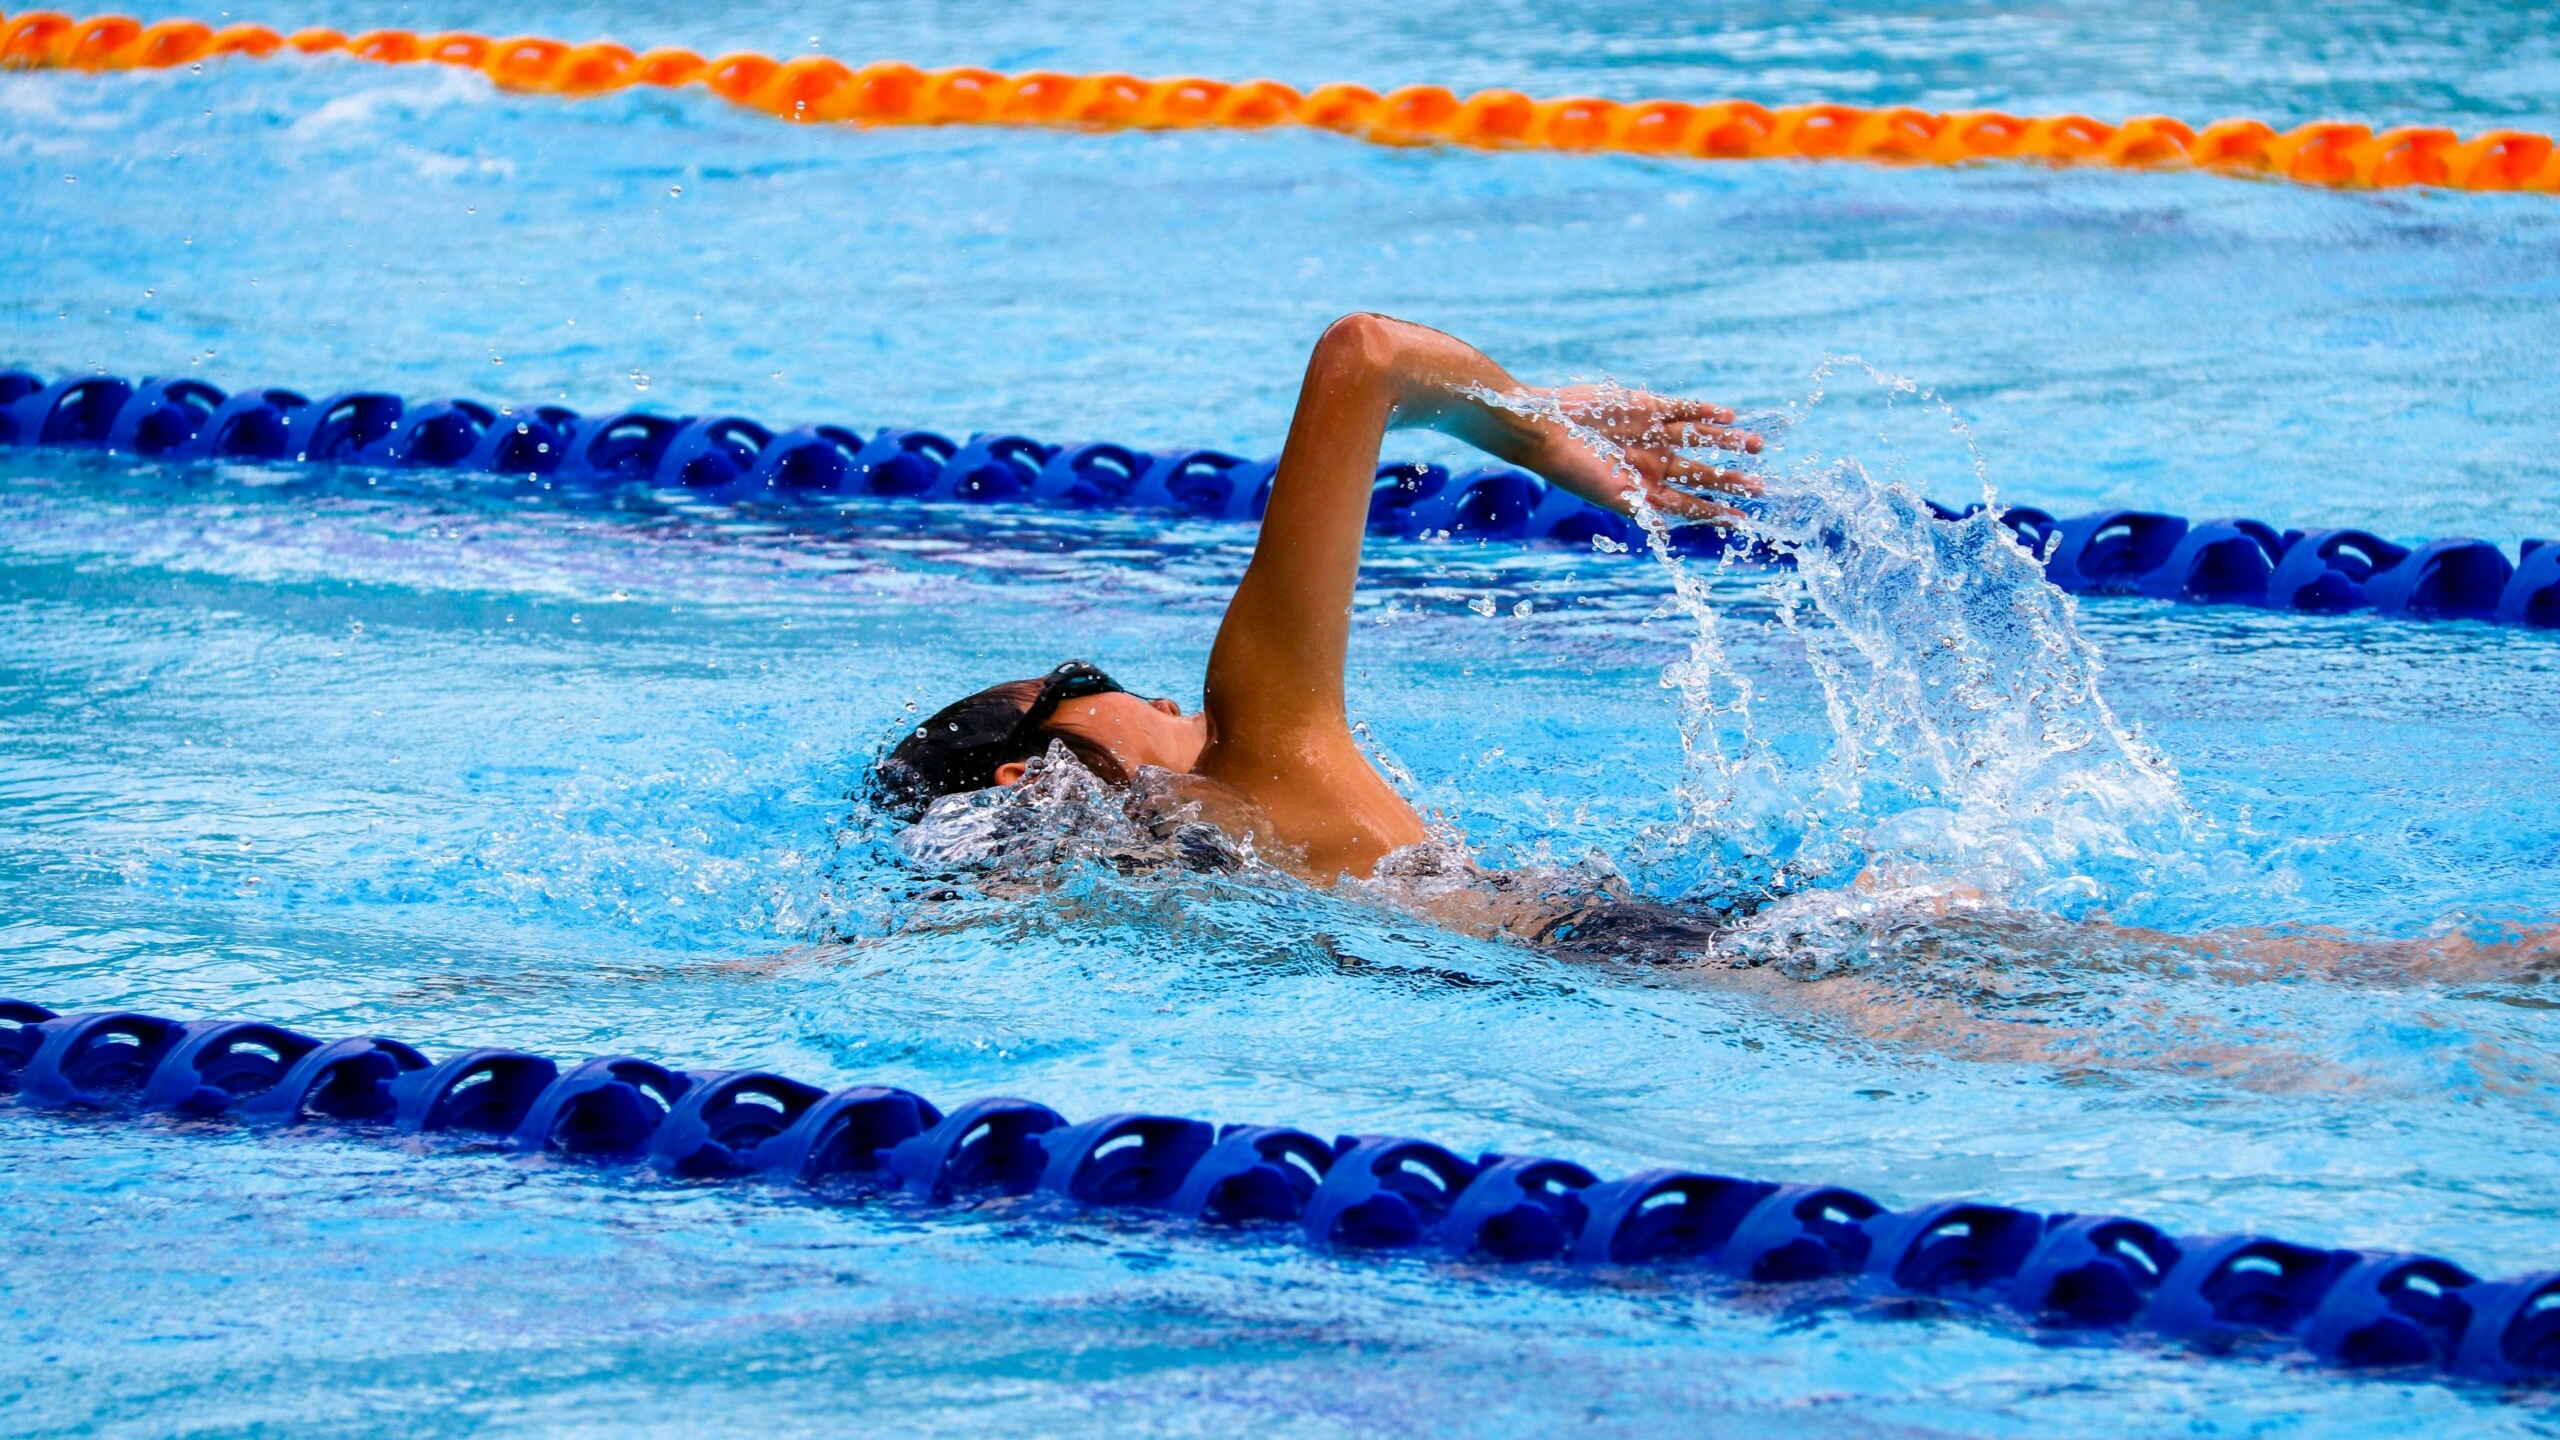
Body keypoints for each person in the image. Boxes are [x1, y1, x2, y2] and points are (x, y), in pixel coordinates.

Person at [870, 313, 1761, 883]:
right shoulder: (1255, 742)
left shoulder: (1191, 894)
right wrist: (1544, 433)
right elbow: (1365, 354)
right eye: (1085, 680)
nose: (1165, 698)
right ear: (1030, 776)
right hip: (1663, 958)